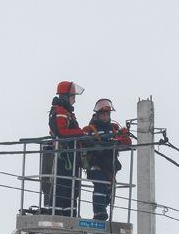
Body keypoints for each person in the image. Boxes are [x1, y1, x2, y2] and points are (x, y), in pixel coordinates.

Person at [47, 80, 96, 216]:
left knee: (72, 185)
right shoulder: (59, 112)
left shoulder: (66, 112)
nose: (74, 100)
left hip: (72, 154)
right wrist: (80, 134)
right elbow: (61, 132)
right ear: (65, 96)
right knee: (63, 183)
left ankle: (70, 212)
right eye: (73, 97)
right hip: (64, 154)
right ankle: (57, 212)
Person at [84, 98, 132, 221]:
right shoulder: (90, 129)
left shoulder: (114, 128)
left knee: (109, 191)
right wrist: (98, 144)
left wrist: (122, 137)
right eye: (103, 114)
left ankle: (103, 209)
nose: (105, 116)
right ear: (98, 115)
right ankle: (99, 213)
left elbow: (127, 142)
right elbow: (84, 142)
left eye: (107, 114)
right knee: (100, 185)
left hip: (110, 167)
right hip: (95, 165)